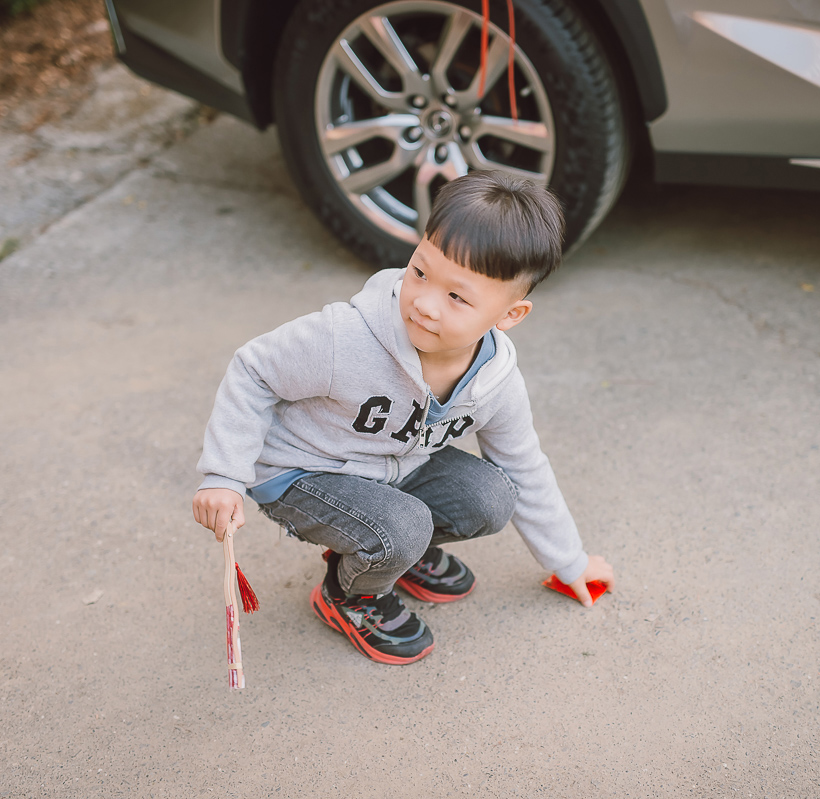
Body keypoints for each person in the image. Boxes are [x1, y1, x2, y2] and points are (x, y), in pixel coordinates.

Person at [192, 170, 614, 665]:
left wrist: (570, 562)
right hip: (301, 470)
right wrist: (223, 475)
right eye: (420, 272)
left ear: (509, 315)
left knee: (493, 496)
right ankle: (351, 595)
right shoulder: (346, 338)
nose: (425, 304)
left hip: (390, 467)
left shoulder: (495, 381)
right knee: (403, 526)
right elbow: (254, 370)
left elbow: (525, 466)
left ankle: (386, 551)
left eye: (457, 297)